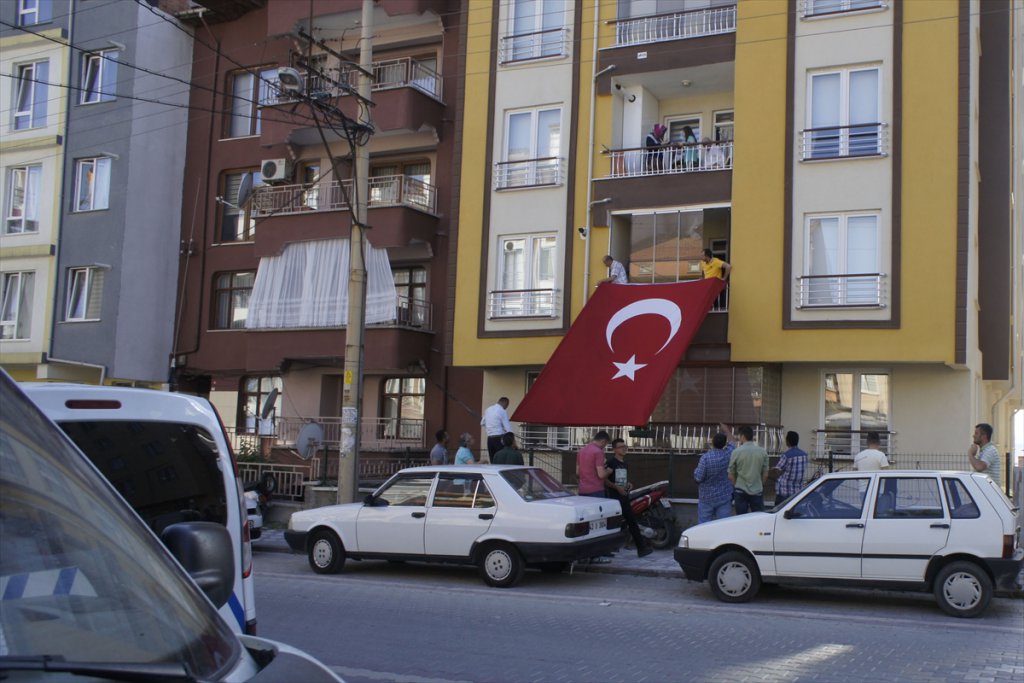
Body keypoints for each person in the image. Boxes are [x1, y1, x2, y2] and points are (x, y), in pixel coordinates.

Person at [604, 439, 653, 558]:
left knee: (629, 522)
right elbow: (605, 480)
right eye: (621, 447)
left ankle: (641, 548)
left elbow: (621, 479)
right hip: (614, 498)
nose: (624, 448)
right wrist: (617, 488)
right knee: (621, 523)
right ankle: (639, 548)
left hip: (624, 496)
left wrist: (628, 484)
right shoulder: (611, 463)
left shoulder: (624, 464)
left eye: (625, 446)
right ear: (614, 449)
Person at [694, 425, 736, 523]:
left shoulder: (705, 458)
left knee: (703, 526)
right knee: (723, 525)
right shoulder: (728, 453)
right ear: (725, 443)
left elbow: (698, 478)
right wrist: (726, 430)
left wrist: (695, 472)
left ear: (712, 443)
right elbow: (733, 442)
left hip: (706, 497)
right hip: (724, 496)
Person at [728, 425, 769, 514]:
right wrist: (760, 485)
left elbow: (730, 475)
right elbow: (765, 475)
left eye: (739, 436)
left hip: (740, 490)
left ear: (742, 436)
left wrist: (736, 485)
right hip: (757, 490)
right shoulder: (762, 452)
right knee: (758, 518)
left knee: (741, 519)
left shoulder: (736, 452)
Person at [771, 431, 807, 505]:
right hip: (797, 491)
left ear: (788, 441)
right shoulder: (804, 455)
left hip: (785, 491)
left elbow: (778, 470)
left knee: (779, 512)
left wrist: (772, 470)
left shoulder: (786, 455)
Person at [481, 397, 512, 462]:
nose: (506, 408)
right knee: (500, 460)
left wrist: (491, 426)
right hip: (499, 438)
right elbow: (508, 428)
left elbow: (482, 423)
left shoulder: (488, 409)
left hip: (489, 439)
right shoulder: (502, 411)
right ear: (505, 403)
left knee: (493, 460)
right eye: (507, 406)